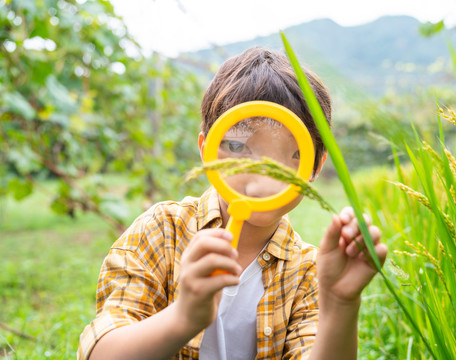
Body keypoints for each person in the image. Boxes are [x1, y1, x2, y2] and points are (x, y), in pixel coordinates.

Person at [78, 47, 387, 360]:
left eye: (293, 155)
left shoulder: (310, 271)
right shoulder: (161, 232)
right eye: (238, 146)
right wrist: (182, 317)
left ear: (315, 167)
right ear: (206, 150)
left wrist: (339, 306)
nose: (260, 182)